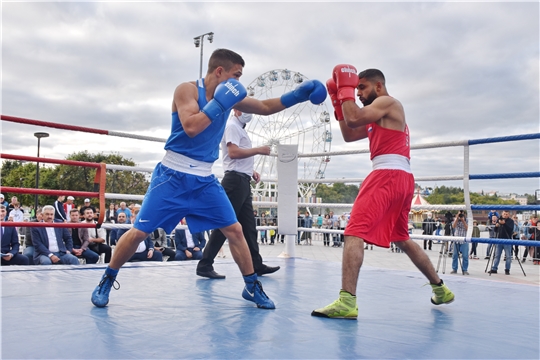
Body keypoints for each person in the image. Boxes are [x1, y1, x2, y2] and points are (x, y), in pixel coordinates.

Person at [90, 48, 326, 309]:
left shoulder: (231, 96)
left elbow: (265, 107)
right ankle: (107, 279)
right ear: (219, 71)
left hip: (204, 178)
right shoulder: (187, 90)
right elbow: (191, 127)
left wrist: (298, 95)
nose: (239, 81)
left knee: (235, 231)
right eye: (236, 75)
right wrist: (220, 103)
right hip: (172, 175)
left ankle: (251, 286)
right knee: (138, 232)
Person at [311, 66, 454, 320]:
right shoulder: (378, 116)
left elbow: (354, 117)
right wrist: (338, 101)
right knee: (401, 236)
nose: (358, 94)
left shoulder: (387, 102)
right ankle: (440, 288)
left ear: (378, 86)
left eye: (362, 88)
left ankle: (347, 301)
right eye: (355, 90)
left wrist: (343, 91)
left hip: (387, 174)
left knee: (354, 231)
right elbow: (348, 132)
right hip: (402, 178)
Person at [196, 110, 280, 279]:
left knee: (249, 226)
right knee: (225, 224)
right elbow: (233, 152)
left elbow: (234, 157)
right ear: (236, 110)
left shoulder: (239, 128)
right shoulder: (232, 126)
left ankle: (256, 264)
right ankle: (205, 264)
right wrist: (258, 150)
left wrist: (250, 170)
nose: (249, 113)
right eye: (246, 109)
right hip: (235, 181)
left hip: (242, 180)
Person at [489, 210, 514, 275]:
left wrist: (504, 224)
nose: (505, 215)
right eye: (504, 214)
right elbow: (495, 230)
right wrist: (496, 226)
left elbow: (510, 229)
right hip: (499, 239)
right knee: (497, 255)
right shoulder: (499, 220)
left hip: (507, 240)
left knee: (508, 256)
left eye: (506, 214)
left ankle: (507, 269)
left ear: (509, 215)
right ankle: (494, 268)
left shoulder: (511, 221)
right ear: (502, 214)